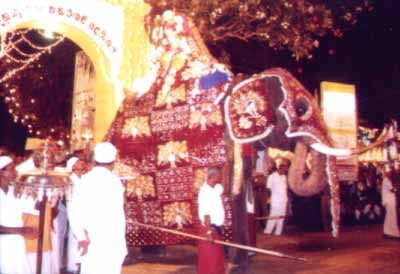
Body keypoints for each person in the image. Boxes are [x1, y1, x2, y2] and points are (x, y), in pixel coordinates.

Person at [70, 142, 127, 274]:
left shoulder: (84, 181)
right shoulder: (115, 182)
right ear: (114, 161)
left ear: (95, 160)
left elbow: (74, 211)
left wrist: (81, 237)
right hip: (112, 240)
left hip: (91, 239)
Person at [0, 154, 37, 274]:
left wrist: (42, 190)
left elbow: (34, 208)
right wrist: (21, 230)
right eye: (11, 169)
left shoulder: (15, 191)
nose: (15, 172)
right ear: (1, 172)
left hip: (17, 244)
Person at [197, 167, 225, 274]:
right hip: (209, 229)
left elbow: (223, 188)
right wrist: (209, 233)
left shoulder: (215, 187)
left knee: (217, 257)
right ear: (213, 177)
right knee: (210, 260)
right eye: (219, 175)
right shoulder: (204, 192)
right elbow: (206, 214)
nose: (221, 177)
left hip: (216, 228)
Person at [264, 159, 289, 235]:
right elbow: (268, 188)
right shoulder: (272, 176)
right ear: (280, 168)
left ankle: (278, 232)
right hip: (275, 199)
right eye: (284, 170)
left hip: (283, 199)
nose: (285, 171)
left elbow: (286, 188)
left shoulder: (284, 177)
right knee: (273, 215)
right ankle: (267, 231)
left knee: (281, 216)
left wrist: (287, 199)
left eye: (286, 170)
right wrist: (268, 198)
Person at [381, 164, 400, 238]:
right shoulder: (387, 180)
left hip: (389, 200)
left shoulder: (387, 180)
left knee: (389, 216)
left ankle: (387, 231)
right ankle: (394, 233)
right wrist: (397, 188)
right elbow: (392, 190)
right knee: (392, 216)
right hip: (389, 200)